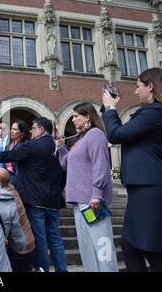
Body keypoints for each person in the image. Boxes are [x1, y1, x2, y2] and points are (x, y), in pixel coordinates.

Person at [102, 67, 162, 272]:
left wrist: (110, 108)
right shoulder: (154, 112)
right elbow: (122, 133)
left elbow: (116, 135)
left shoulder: (155, 112)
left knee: (151, 249)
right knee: (130, 246)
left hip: (151, 185)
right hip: (145, 184)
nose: (135, 92)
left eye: (138, 86)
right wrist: (111, 109)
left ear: (151, 86)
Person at [0, 117, 67, 272]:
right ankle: (62, 269)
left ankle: (42, 269)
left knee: (40, 240)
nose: (31, 131)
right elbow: (63, 172)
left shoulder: (32, 145)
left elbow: (7, 156)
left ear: (41, 130)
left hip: (36, 201)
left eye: (33, 128)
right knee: (56, 239)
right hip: (54, 200)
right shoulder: (59, 147)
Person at [57, 102, 118, 272]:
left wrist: (97, 194)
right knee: (87, 251)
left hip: (92, 201)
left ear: (88, 117)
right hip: (79, 203)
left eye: (76, 115)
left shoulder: (96, 134)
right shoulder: (79, 139)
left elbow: (101, 166)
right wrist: (62, 148)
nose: (73, 119)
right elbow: (66, 165)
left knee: (102, 248)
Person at [6, 120, 29, 187]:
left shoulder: (24, 146)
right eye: (11, 128)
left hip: (18, 182)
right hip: (7, 179)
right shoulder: (9, 146)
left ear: (22, 132)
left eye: (15, 129)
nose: (11, 131)